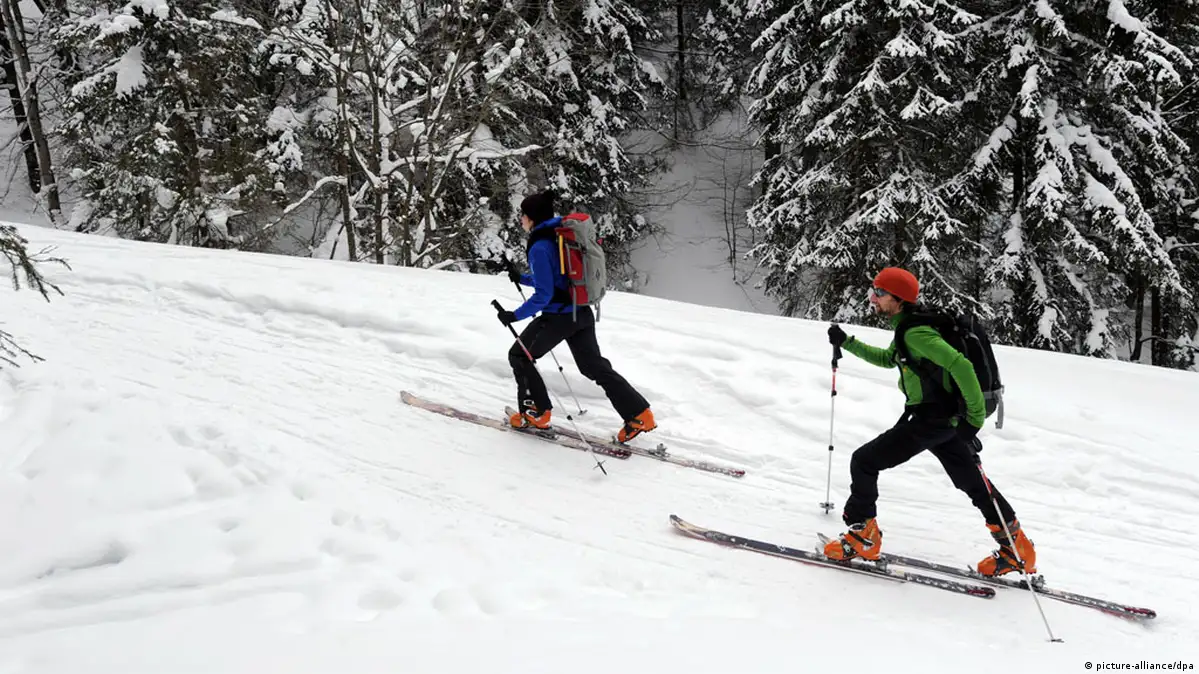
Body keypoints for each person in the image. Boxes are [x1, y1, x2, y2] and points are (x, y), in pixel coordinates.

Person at [822, 267, 1036, 577]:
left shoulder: (915, 333)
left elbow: (961, 366)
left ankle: (864, 537)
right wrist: (847, 342)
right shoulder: (909, 327)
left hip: (933, 420)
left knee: (864, 461)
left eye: (880, 293)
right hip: (945, 420)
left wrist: (974, 420)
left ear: (899, 299)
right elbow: (888, 359)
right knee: (973, 483)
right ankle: (1018, 549)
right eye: (874, 291)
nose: (873, 298)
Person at [494, 189, 657, 443]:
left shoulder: (539, 246)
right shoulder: (559, 236)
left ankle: (537, 413)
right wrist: (523, 278)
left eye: (523, 215)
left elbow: (545, 294)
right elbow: (558, 279)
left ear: (532, 218)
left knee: (519, 355)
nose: (521, 220)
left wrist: (514, 315)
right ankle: (639, 414)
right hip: (580, 312)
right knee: (594, 366)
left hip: (558, 317)